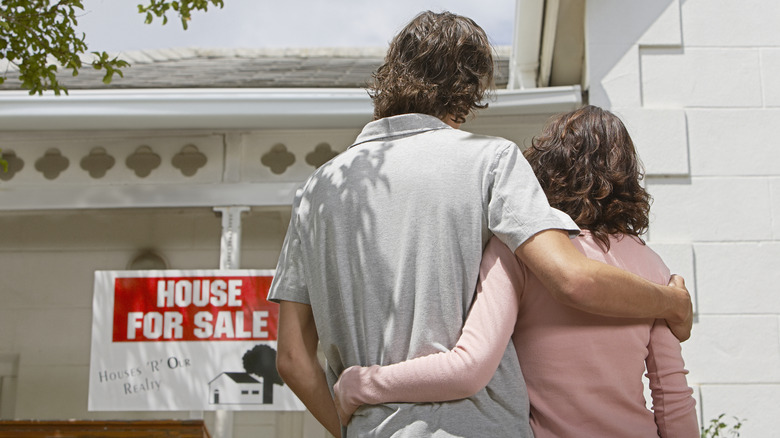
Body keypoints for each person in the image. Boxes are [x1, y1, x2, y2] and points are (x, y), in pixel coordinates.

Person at [268, 10, 692, 438]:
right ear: (468, 88)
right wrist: (670, 302)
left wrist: (351, 425)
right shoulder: (491, 161)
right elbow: (572, 279)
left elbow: (292, 358)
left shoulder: (316, 191)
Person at [333, 105, 700, 437]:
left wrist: (363, 383)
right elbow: (672, 397)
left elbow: (468, 368)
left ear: (548, 167)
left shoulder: (521, 253)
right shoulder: (654, 269)